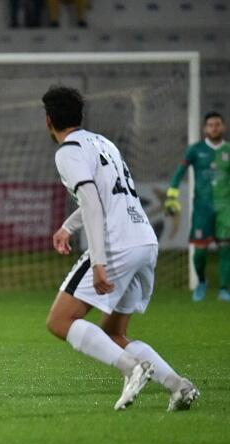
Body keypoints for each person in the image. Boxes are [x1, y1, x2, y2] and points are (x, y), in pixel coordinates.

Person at [43, 85, 199, 411]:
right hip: (144, 239)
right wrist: (67, 227)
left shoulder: (68, 151)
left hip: (117, 245)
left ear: (48, 121)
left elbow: (92, 204)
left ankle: (131, 369)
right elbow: (102, 196)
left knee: (59, 321)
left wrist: (98, 261)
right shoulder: (104, 143)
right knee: (115, 334)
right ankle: (178, 386)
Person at [164, 111, 230, 302]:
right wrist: (172, 195)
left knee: (225, 248)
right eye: (210, 125)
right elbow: (179, 172)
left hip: (225, 208)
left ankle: (224, 288)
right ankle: (201, 281)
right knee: (199, 252)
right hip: (202, 208)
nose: (214, 128)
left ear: (223, 127)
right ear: (204, 128)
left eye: (217, 124)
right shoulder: (195, 150)